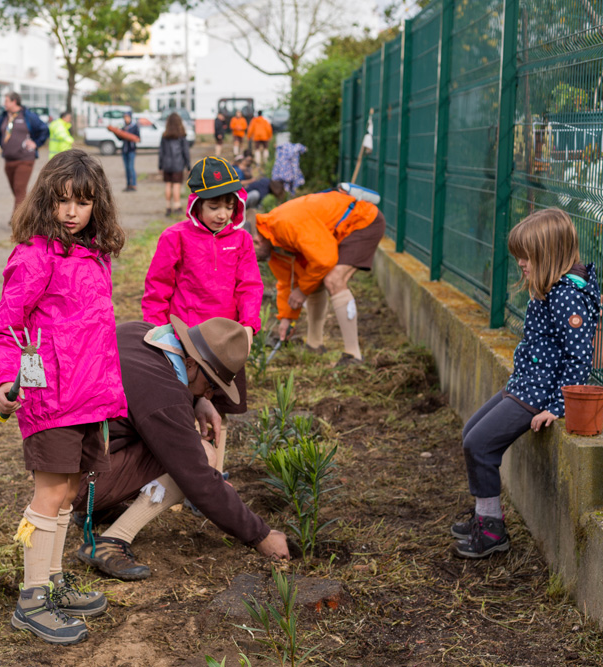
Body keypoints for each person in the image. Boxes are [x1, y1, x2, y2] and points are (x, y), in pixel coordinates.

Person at [0, 149, 127, 645]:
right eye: (62, 201)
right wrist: (3, 379)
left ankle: (51, 581)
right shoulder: (34, 256)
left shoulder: (93, 254)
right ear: (46, 200)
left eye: (82, 202)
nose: (71, 212)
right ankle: (31, 600)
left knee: (68, 491)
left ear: (96, 206)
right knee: (49, 493)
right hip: (50, 397)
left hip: (90, 396)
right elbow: (5, 327)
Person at [72, 316, 290, 581]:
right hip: (80, 484)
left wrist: (196, 398)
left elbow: (149, 397)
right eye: (210, 386)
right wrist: (260, 535)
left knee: (170, 443)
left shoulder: (139, 333)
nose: (210, 395)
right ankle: (112, 540)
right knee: (200, 456)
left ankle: (98, 510)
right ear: (189, 364)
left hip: (65, 463)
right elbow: (197, 478)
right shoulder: (164, 396)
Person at [452, 208, 599, 559]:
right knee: (471, 433)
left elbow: (579, 358)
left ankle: (491, 531)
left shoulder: (567, 296)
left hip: (537, 395)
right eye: (518, 255)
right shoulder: (551, 288)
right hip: (524, 384)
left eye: (526, 256)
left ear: (548, 254)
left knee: (479, 445)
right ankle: (483, 514)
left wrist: (557, 407)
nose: (520, 262)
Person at [142, 157, 262, 469]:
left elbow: (249, 285)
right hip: (187, 343)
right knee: (183, 408)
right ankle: (187, 475)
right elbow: (158, 288)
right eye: (214, 207)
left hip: (225, 346)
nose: (223, 214)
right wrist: (159, 336)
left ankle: (216, 473)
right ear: (196, 205)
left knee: (219, 409)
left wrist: (247, 327)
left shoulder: (242, 241)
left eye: (228, 205)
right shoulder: (175, 237)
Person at [254, 189, 385, 365]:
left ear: (256, 240)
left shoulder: (284, 224)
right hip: (338, 233)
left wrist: (302, 291)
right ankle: (314, 345)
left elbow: (325, 260)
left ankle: (354, 356)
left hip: (362, 221)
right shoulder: (273, 245)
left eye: (249, 253)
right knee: (313, 282)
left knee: (333, 280)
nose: (251, 258)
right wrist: (287, 318)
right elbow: (288, 283)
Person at [0, 92, 50, 214]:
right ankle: (28, 215)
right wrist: (2, 145)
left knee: (20, 189)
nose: (4, 104)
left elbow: (44, 129)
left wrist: (36, 143)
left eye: (6, 101)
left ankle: (16, 221)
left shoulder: (28, 115)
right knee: (16, 191)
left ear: (14, 101)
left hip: (25, 159)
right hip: (9, 159)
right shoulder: (4, 116)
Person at [157, 112, 190, 216]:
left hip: (167, 164)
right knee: (176, 185)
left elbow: (161, 152)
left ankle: (168, 206)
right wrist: (188, 165)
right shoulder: (182, 136)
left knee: (168, 185)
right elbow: (186, 152)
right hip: (178, 164)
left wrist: (160, 165)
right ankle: (177, 205)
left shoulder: (164, 136)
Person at [119, 111, 140, 192]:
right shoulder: (123, 127)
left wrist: (129, 136)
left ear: (130, 117)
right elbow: (120, 138)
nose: (126, 119)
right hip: (124, 150)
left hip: (131, 150)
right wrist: (116, 133)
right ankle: (128, 185)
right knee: (127, 168)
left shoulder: (134, 127)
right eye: (125, 117)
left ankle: (133, 185)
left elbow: (138, 138)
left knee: (131, 168)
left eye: (127, 117)